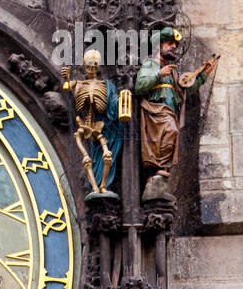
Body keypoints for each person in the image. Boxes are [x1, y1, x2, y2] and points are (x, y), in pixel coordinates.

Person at [135, 27, 218, 197]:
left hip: (169, 111)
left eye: (175, 44)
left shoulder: (172, 70)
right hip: (155, 112)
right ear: (160, 45)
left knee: (170, 138)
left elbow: (184, 90)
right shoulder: (151, 64)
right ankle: (155, 176)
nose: (173, 47)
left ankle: (160, 175)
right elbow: (139, 87)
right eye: (170, 43)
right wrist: (159, 74)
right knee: (170, 132)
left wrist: (204, 74)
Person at [61, 49, 123, 197]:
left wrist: (119, 100)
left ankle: (103, 186)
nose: (92, 69)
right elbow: (66, 88)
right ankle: (95, 187)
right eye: (89, 66)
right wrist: (66, 78)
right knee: (88, 157)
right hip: (83, 126)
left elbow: (112, 102)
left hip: (101, 127)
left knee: (107, 155)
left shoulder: (106, 85)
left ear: (99, 66)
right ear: (84, 66)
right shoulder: (78, 83)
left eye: (95, 66)